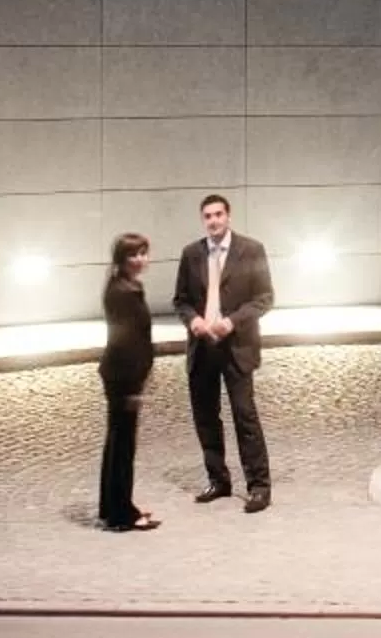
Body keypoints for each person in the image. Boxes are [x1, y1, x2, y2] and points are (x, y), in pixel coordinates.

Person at [171, 191, 275, 510]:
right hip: (203, 349)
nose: (213, 221)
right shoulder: (191, 254)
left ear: (228, 216)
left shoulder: (251, 249)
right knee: (206, 418)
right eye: (207, 216)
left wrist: (232, 322)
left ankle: (259, 486)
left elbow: (264, 298)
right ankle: (219, 480)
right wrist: (194, 321)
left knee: (245, 416)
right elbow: (181, 300)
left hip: (237, 347)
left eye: (218, 214)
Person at [95, 231, 162, 533]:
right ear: (121, 259)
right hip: (124, 376)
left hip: (120, 373)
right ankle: (122, 514)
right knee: (123, 446)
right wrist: (135, 385)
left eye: (143, 253)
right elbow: (127, 341)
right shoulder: (123, 292)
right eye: (133, 255)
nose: (140, 260)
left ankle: (112, 506)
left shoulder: (124, 286)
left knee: (117, 442)